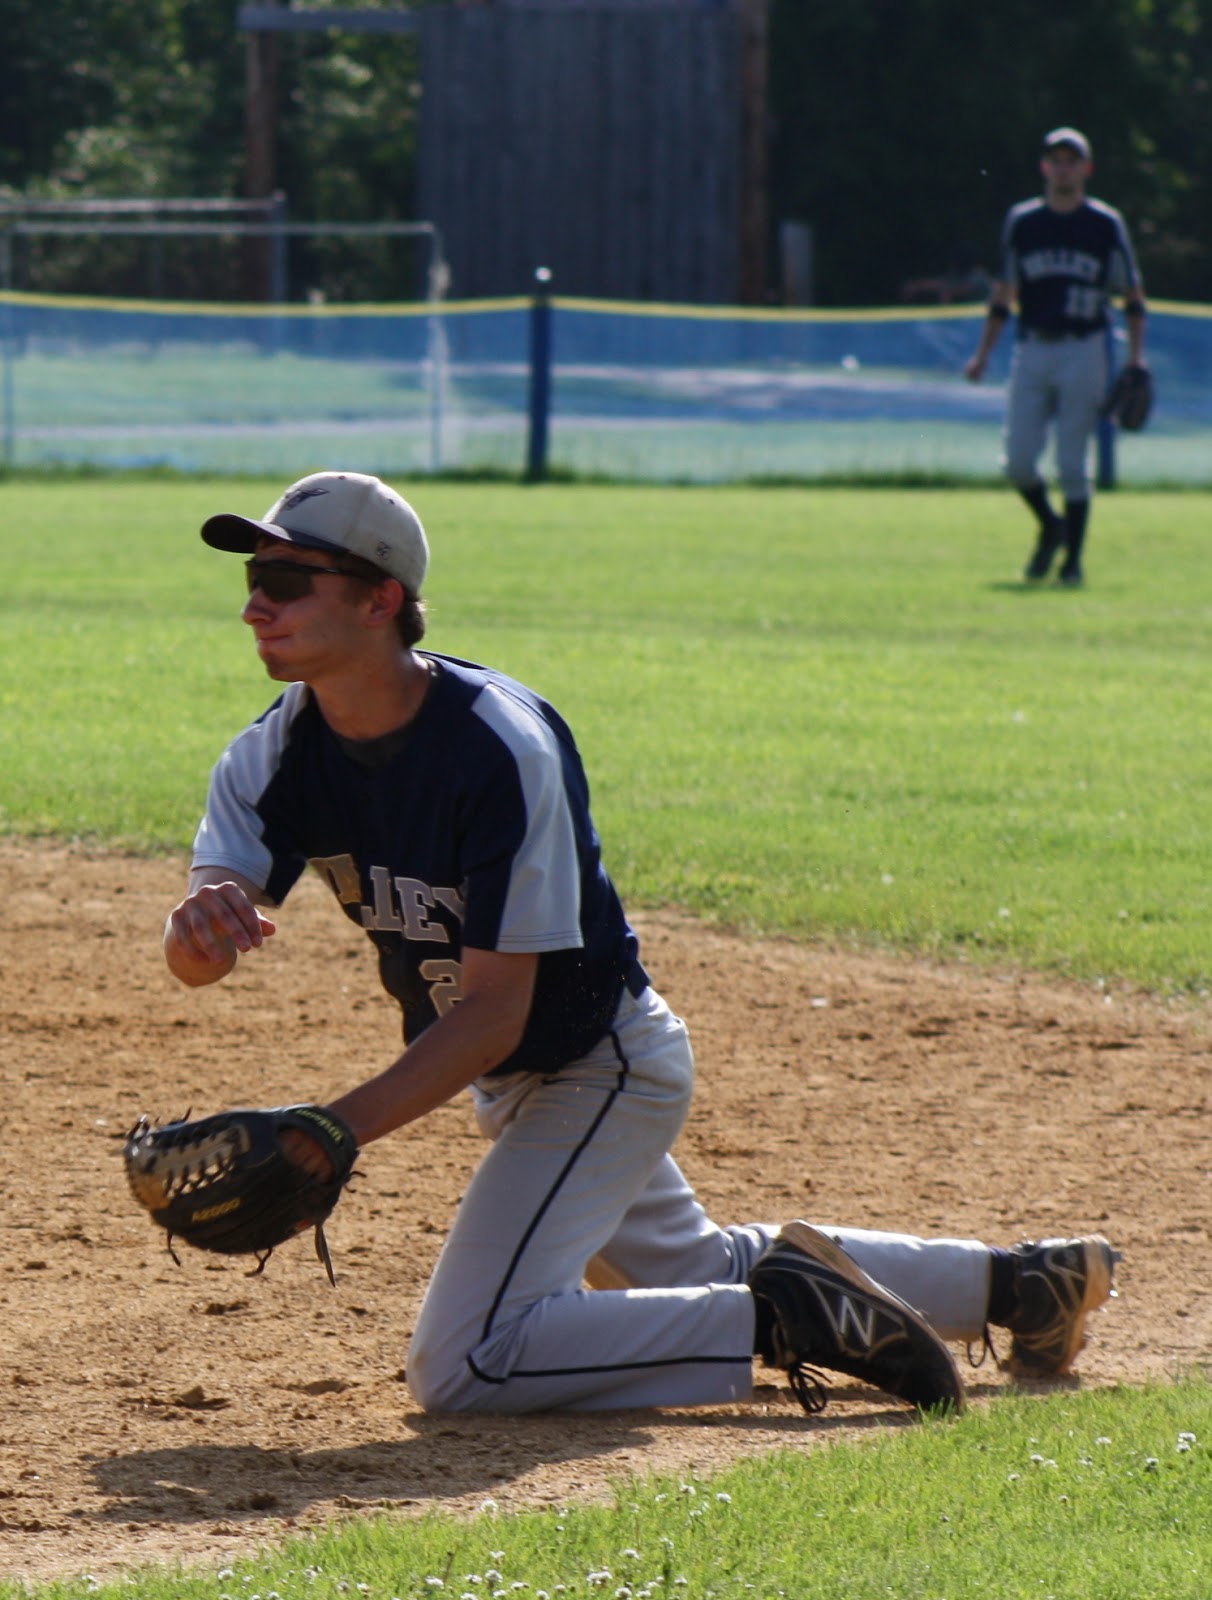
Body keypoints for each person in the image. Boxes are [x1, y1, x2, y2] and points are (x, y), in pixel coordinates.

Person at [163, 468, 1120, 1416]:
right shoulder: (272, 752)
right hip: (521, 1078)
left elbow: (499, 1012)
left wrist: (334, 1130)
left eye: (286, 582)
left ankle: (778, 1317)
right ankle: (1022, 1286)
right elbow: (204, 934)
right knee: (692, 1265)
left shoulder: (499, 745)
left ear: (381, 599)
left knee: (466, 1364)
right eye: (251, 580)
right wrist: (203, 918)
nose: (255, 606)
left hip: (600, 1063)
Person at [965, 127, 1148, 586]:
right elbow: (1004, 291)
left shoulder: (1104, 224)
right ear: (1044, 167)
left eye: (1072, 160)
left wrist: (1136, 358)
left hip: (1085, 348)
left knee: (1071, 464)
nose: (1063, 167)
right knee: (1018, 461)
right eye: (1056, 159)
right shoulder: (1024, 222)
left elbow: (1133, 294)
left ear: (1086, 168)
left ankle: (1073, 563)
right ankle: (1052, 526)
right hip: (1033, 348)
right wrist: (983, 354)